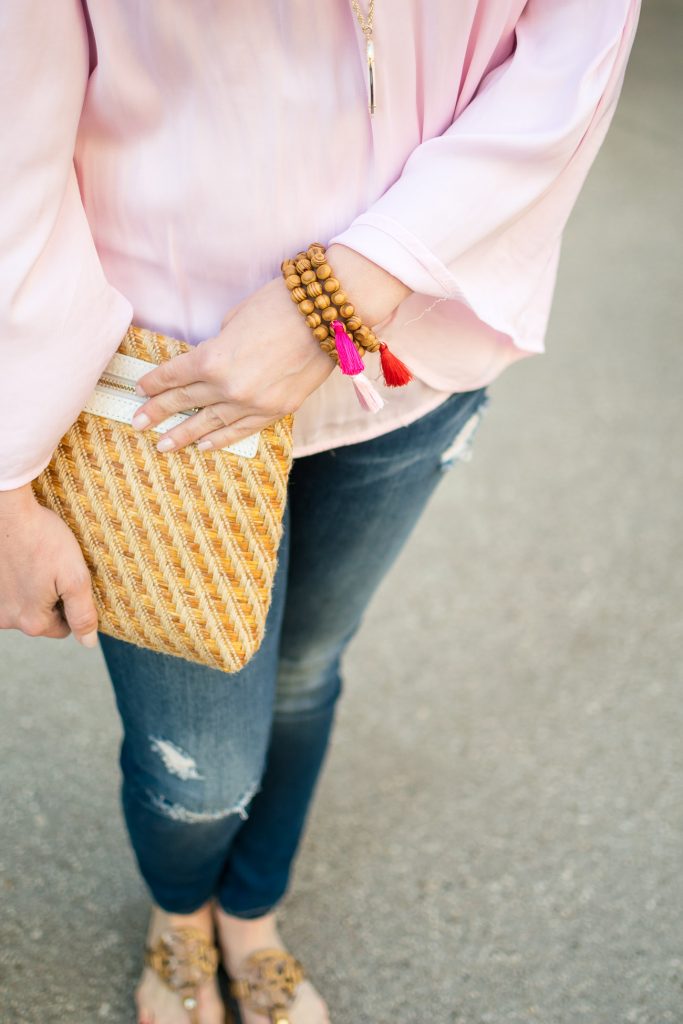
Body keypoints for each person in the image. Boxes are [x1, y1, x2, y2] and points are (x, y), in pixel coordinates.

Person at [0, 2, 640, 1022]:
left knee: (305, 667)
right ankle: (179, 912)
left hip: (405, 354)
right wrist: (4, 476)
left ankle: (250, 910)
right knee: (201, 765)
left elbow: (572, 42)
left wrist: (339, 292)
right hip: (157, 374)